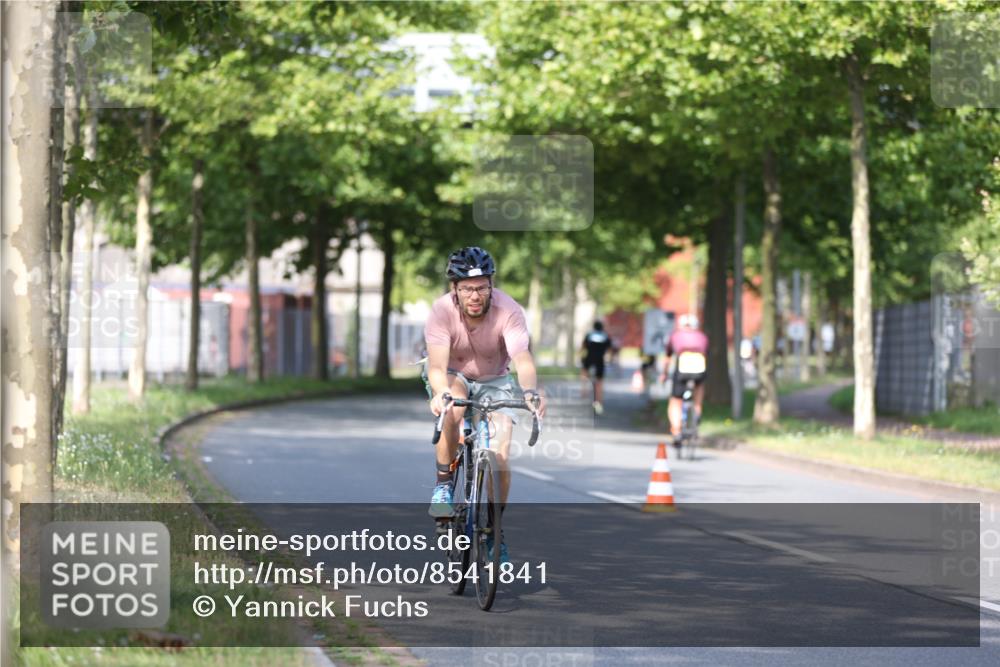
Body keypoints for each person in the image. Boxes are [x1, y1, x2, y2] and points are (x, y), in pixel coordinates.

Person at [423, 246, 546, 564]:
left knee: (501, 452)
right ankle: (444, 486)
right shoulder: (441, 312)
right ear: (455, 289)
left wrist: (531, 391)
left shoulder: (509, 311)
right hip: (454, 374)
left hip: (495, 380)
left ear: (491, 285)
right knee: (453, 407)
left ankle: (494, 530)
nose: (474, 296)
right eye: (466, 289)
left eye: (481, 287)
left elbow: (522, 358)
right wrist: (440, 393)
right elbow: (437, 367)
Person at [658, 313, 708, 453]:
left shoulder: (675, 335)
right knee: (698, 393)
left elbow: (667, 358)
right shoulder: (702, 337)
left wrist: (664, 374)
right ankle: (697, 413)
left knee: (675, 401)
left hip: (681, 372)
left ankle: (676, 430)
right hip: (699, 371)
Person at [580, 320, 612, 414]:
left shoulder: (589, 335)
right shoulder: (605, 336)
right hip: (599, 361)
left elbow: (583, 347)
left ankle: (584, 389)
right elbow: (609, 350)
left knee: (584, 372)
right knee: (599, 382)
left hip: (589, 359)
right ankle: (599, 401)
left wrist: (582, 355)